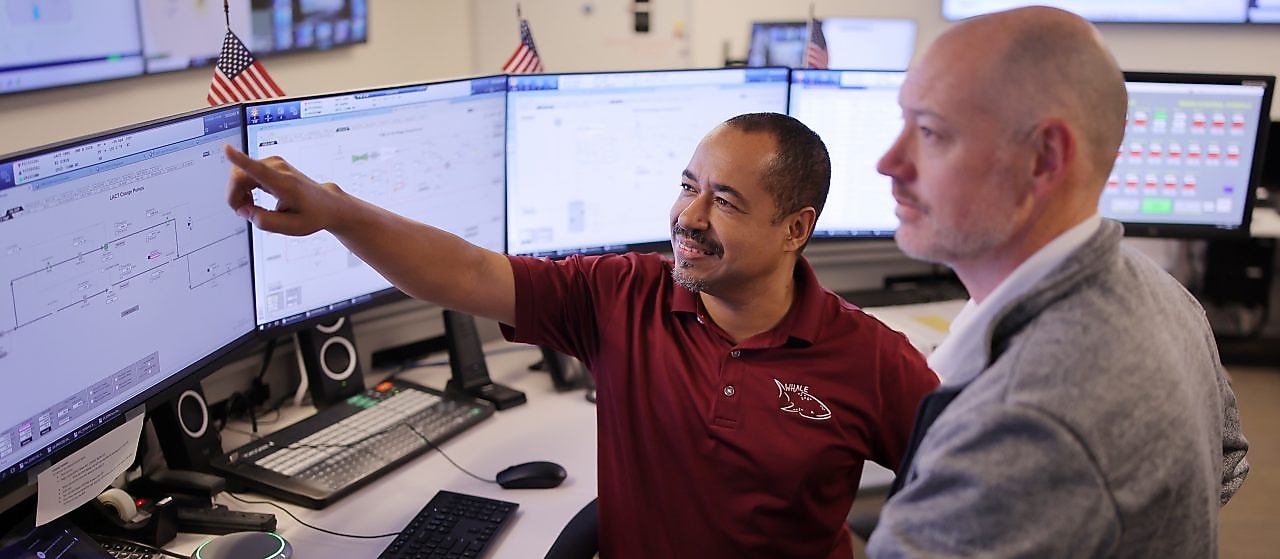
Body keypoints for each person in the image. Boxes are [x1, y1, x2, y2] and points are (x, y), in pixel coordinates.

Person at [224, 112, 940, 558]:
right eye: (688, 184)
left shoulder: (869, 358)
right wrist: (336, 211)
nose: (688, 215)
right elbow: (468, 274)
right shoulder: (622, 294)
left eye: (723, 200)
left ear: (795, 229)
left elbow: (971, 485)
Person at [867, 7, 1249, 557]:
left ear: (1044, 158)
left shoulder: (1026, 420)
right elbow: (1228, 460)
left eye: (929, 131)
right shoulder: (1161, 290)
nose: (889, 161)